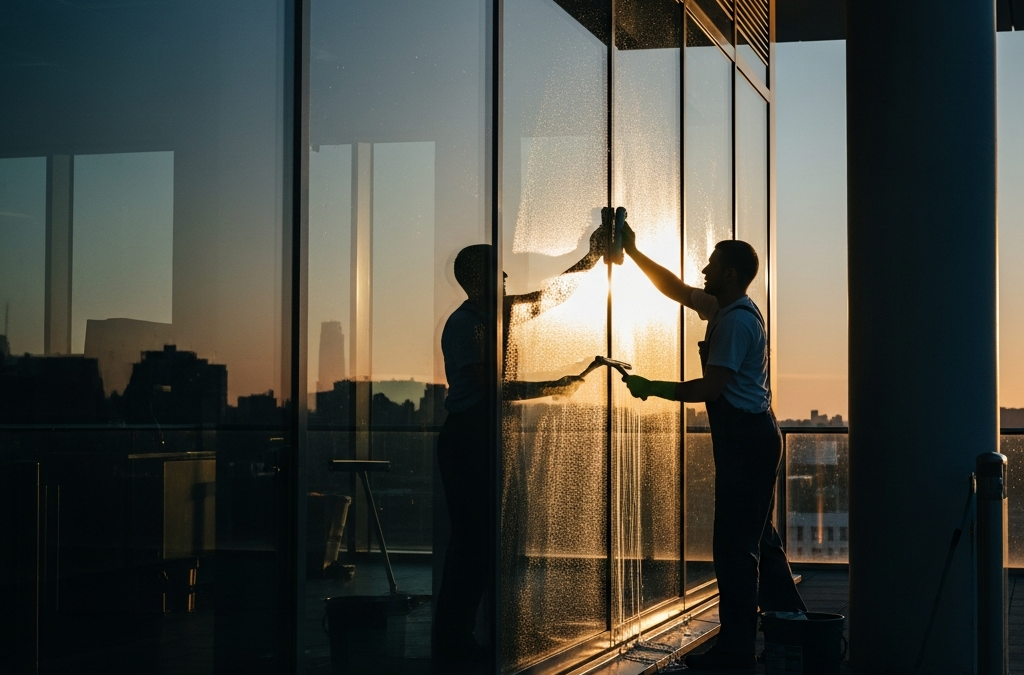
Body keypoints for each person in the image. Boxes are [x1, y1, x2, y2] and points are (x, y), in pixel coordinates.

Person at [621, 228, 805, 671]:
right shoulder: (725, 308)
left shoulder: (736, 322)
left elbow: (711, 387)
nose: (704, 269)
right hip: (752, 437)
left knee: (734, 549)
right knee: (759, 538)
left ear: (731, 274)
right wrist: (632, 252)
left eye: (712, 264)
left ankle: (736, 651)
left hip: (746, 441)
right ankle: (795, 627)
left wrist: (652, 387)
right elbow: (677, 290)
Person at [434, 225, 605, 664]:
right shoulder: (465, 325)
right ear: (478, 279)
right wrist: (554, 385)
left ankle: (461, 639)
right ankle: (454, 641)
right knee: (473, 542)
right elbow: (493, 389)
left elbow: (550, 296)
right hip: (470, 438)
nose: (507, 278)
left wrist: (590, 259)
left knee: (480, 541)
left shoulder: (494, 315)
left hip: (481, 436)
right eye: (499, 272)